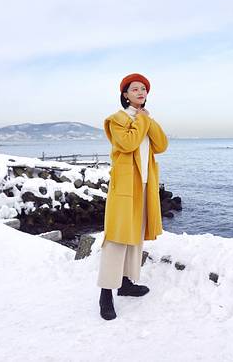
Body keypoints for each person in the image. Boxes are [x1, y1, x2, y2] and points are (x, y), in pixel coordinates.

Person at [97, 73, 169, 320]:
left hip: (145, 184)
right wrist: (142, 120)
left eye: (144, 89)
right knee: (117, 237)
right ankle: (105, 294)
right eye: (135, 89)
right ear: (125, 95)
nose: (141, 92)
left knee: (135, 235)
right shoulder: (117, 120)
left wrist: (147, 119)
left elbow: (161, 145)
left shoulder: (144, 119)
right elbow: (128, 144)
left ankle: (126, 282)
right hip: (125, 186)